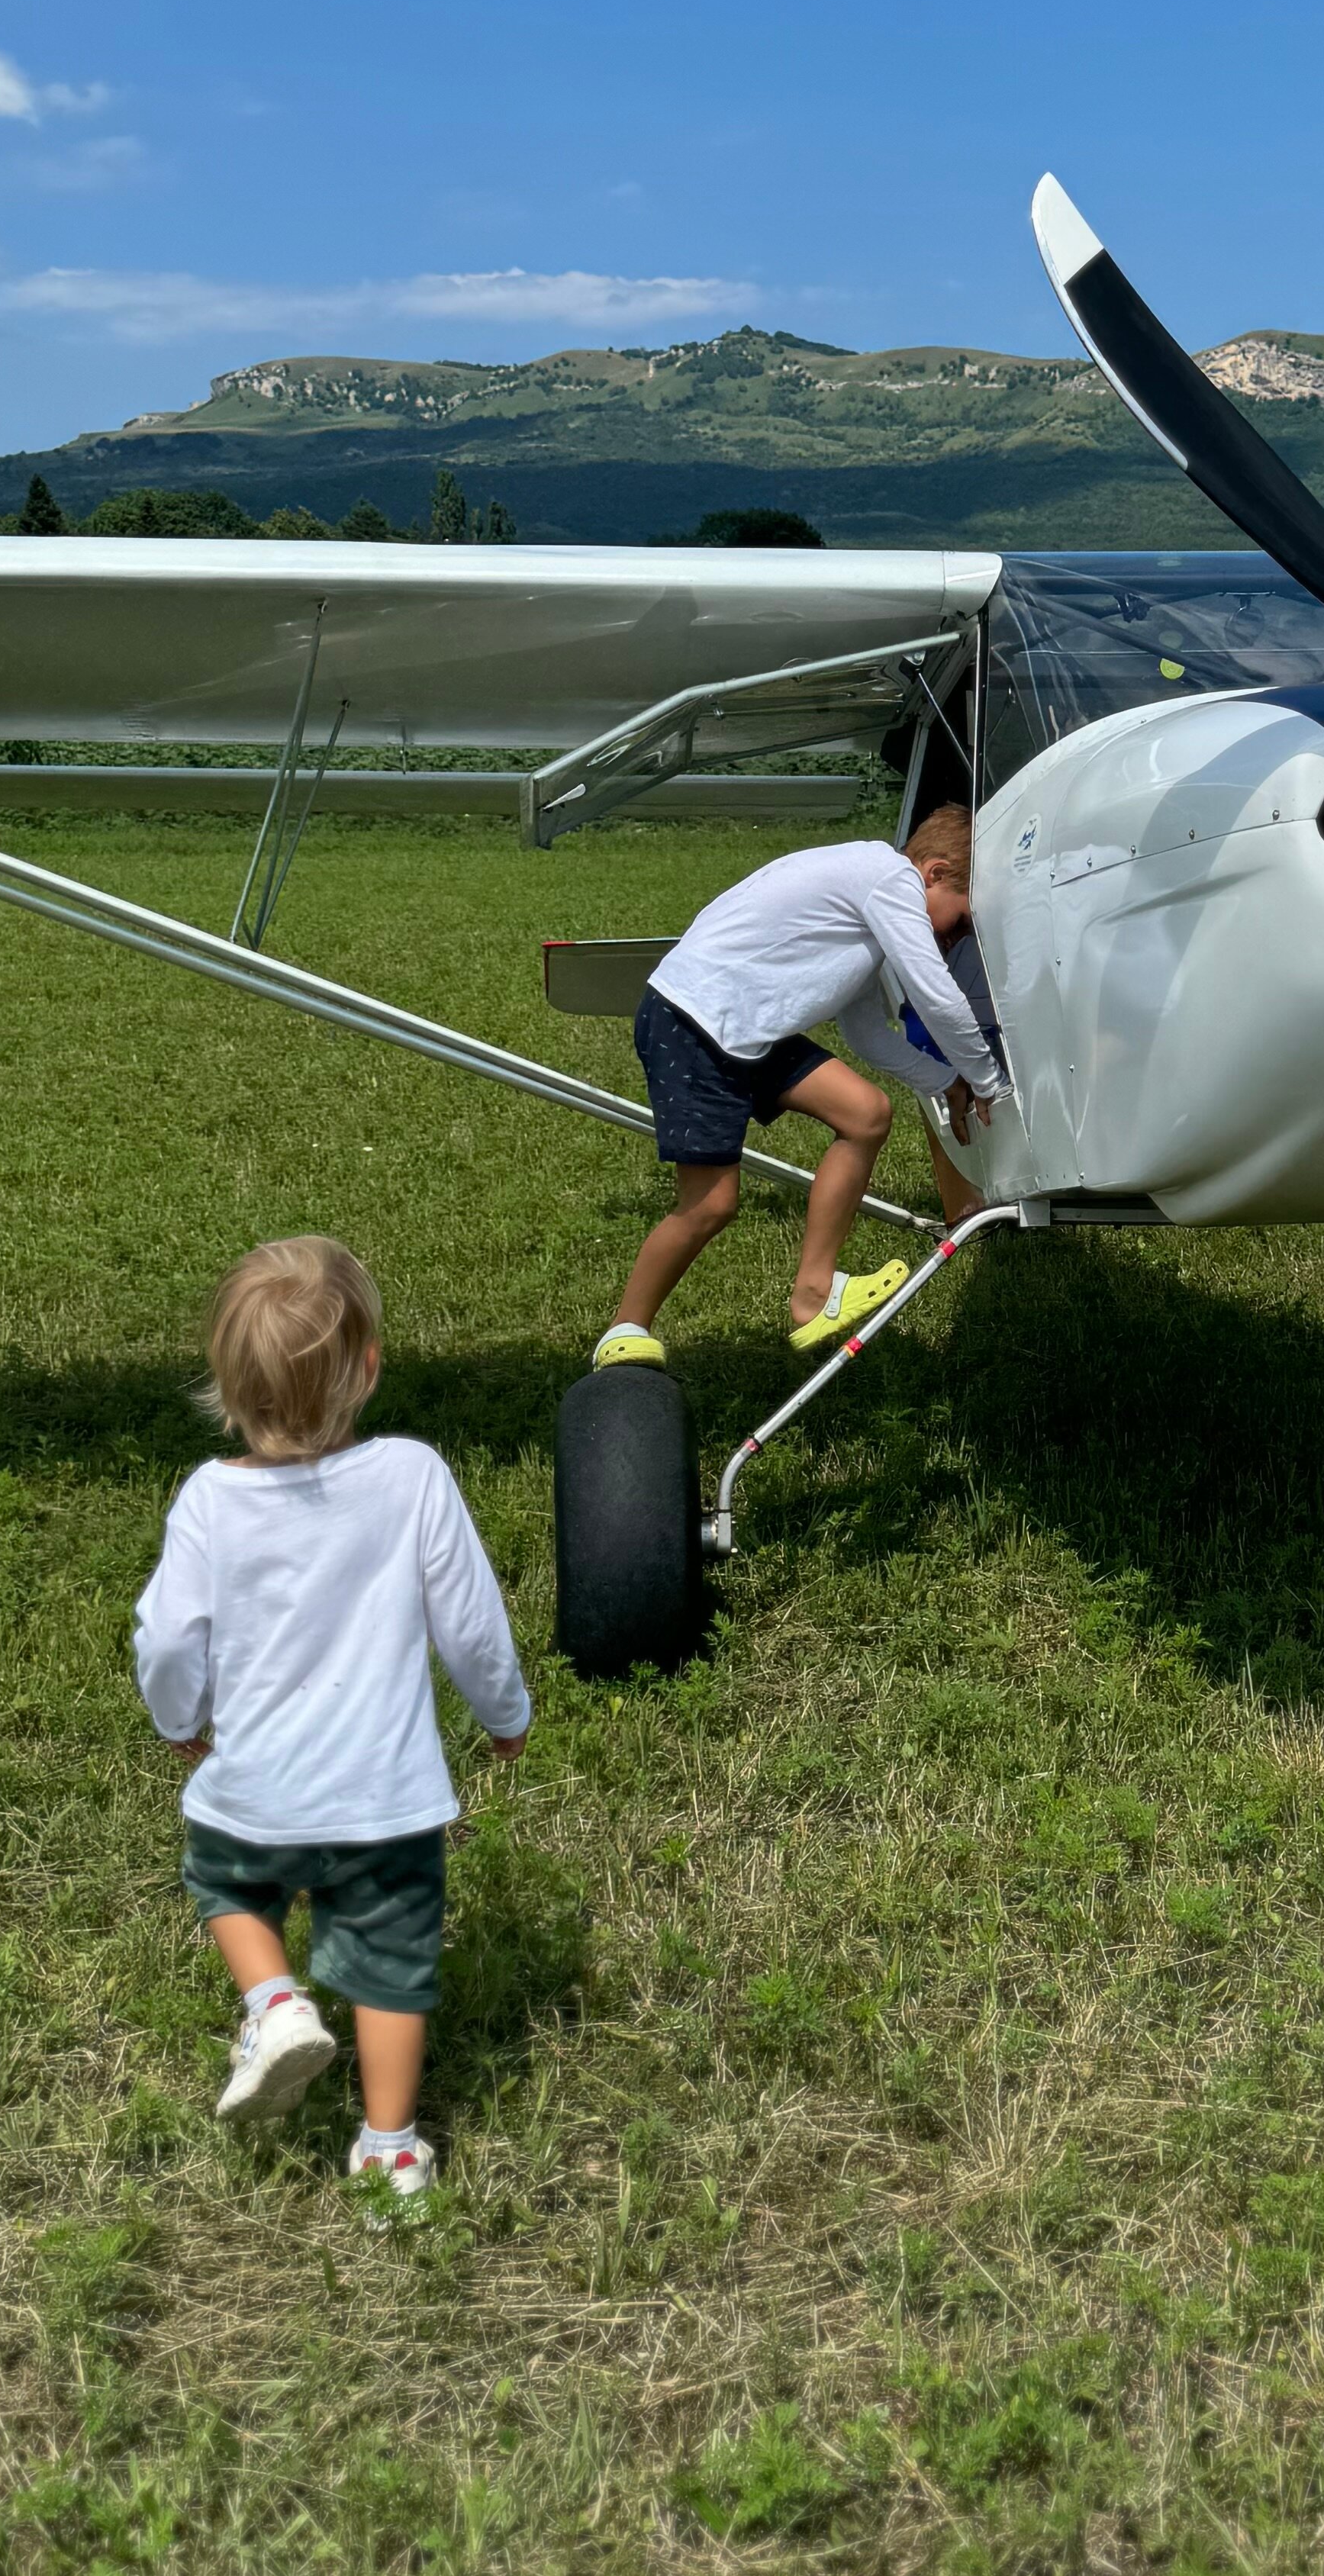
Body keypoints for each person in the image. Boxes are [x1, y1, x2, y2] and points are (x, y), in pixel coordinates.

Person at [133, 1235, 531, 2204]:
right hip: (386, 1802)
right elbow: (470, 1620)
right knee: (394, 1970)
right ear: (369, 1366)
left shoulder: (207, 1503)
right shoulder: (412, 1476)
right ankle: (391, 2148)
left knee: (224, 1882)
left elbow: (169, 1640)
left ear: (226, 1386)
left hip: (253, 1791)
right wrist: (504, 1712)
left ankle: (272, 2002)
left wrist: (179, 1717)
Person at [594, 803, 1004, 1369]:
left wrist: (948, 1081)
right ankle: (624, 1330)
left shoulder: (870, 909)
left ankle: (815, 1295)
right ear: (933, 873)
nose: (957, 940)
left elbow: (867, 1035)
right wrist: (989, 1084)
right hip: (694, 1020)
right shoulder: (888, 880)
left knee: (865, 1113)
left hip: (747, 1026)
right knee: (710, 1205)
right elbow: (938, 997)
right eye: (960, 921)